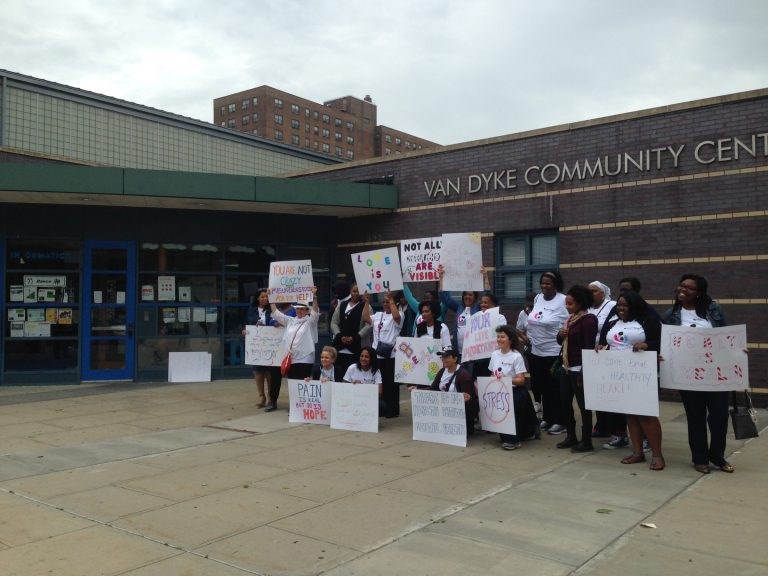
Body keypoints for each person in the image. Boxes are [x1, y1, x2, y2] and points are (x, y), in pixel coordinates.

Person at [663, 274, 733, 474]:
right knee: (696, 418)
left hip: (715, 374)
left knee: (719, 417)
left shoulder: (714, 311)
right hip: (689, 376)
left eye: (690, 288)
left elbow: (726, 336)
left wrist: (737, 350)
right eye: (681, 285)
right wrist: (663, 355)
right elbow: (667, 343)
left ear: (700, 293)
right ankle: (700, 459)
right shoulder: (672, 314)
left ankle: (718, 457)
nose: (682, 290)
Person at [598, 291, 665, 470]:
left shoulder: (647, 321)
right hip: (619, 375)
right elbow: (605, 341)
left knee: (646, 415)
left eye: (625, 305)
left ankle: (657, 455)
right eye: (619, 305)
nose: (621, 308)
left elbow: (663, 341)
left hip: (641, 375)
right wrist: (600, 347)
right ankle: (637, 452)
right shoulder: (612, 322)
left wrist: (647, 345)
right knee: (630, 415)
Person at [518, 271, 569, 435]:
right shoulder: (538, 298)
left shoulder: (563, 300)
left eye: (548, 283)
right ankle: (548, 418)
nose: (545, 286)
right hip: (535, 351)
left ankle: (561, 420)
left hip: (553, 351)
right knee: (542, 387)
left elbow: (569, 320)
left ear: (556, 285)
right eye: (543, 283)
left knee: (555, 388)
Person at [556, 285, 599, 452]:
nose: (567, 307)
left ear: (580, 303)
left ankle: (586, 440)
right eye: (566, 304)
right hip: (566, 367)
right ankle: (571, 435)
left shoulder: (588, 320)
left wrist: (584, 371)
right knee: (565, 403)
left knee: (583, 406)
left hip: (579, 368)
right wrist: (560, 335)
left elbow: (588, 347)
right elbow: (561, 342)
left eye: (570, 304)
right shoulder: (570, 319)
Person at [268, 287, 320, 412]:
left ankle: (302, 407)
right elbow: (277, 314)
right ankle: (295, 406)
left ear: (307, 310)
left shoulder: (310, 321)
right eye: (298, 309)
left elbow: (315, 312)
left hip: (305, 356)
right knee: (292, 382)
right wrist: (271, 299)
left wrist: (314, 296)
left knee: (302, 382)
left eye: (303, 309)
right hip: (292, 357)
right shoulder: (291, 320)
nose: (300, 311)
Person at [488, 325, 539, 450]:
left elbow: (521, 380)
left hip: (515, 391)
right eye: (498, 337)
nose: (499, 339)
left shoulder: (516, 356)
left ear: (510, 340)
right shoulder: (494, 354)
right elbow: (491, 374)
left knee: (509, 409)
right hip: (499, 391)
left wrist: (506, 379)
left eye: (502, 337)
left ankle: (514, 440)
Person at [418, 346, 478, 436]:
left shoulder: (464, 375)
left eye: (447, 357)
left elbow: (469, 399)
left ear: (455, 358)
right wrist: (417, 391)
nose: (443, 359)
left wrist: (462, 399)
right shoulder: (442, 371)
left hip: (460, 412)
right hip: (444, 410)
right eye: (442, 357)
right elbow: (433, 389)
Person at [363, 291, 403, 417]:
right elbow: (366, 318)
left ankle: (392, 410)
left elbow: (396, 318)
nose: (386, 304)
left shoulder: (399, 314)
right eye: (384, 302)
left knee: (391, 384)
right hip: (377, 354)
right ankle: (382, 408)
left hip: (391, 355)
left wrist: (391, 299)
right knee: (380, 383)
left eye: (388, 302)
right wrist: (367, 302)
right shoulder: (378, 315)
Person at [587, 281, 617, 439]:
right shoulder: (587, 307)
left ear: (603, 293)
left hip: (606, 354)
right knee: (596, 391)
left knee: (608, 391)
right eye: (589, 291)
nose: (590, 293)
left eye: (594, 291)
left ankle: (612, 426)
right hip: (591, 355)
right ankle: (601, 425)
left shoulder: (612, 305)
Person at [242, 288, 280, 408]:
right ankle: (261, 396)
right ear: (257, 298)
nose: (265, 299)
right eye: (262, 297)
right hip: (256, 344)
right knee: (258, 371)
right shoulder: (251, 310)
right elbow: (245, 323)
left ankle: (270, 397)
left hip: (270, 343)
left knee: (269, 371)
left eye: (266, 297)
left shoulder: (272, 310)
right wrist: (243, 330)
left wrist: (271, 323)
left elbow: (276, 321)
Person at [437, 263, 481, 358]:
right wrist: (442, 278)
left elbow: (488, 298)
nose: (467, 297)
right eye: (465, 294)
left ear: (475, 297)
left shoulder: (478, 308)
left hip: (473, 353)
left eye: (470, 295)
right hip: (459, 352)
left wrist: (485, 277)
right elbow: (446, 299)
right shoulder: (459, 307)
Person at [330, 282, 371, 382]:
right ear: (350, 292)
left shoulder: (367, 307)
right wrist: (339, 336)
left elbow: (368, 325)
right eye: (354, 291)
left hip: (356, 348)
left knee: (352, 378)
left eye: (358, 292)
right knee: (339, 376)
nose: (356, 294)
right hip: (340, 347)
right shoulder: (342, 305)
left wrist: (356, 337)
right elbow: (334, 323)